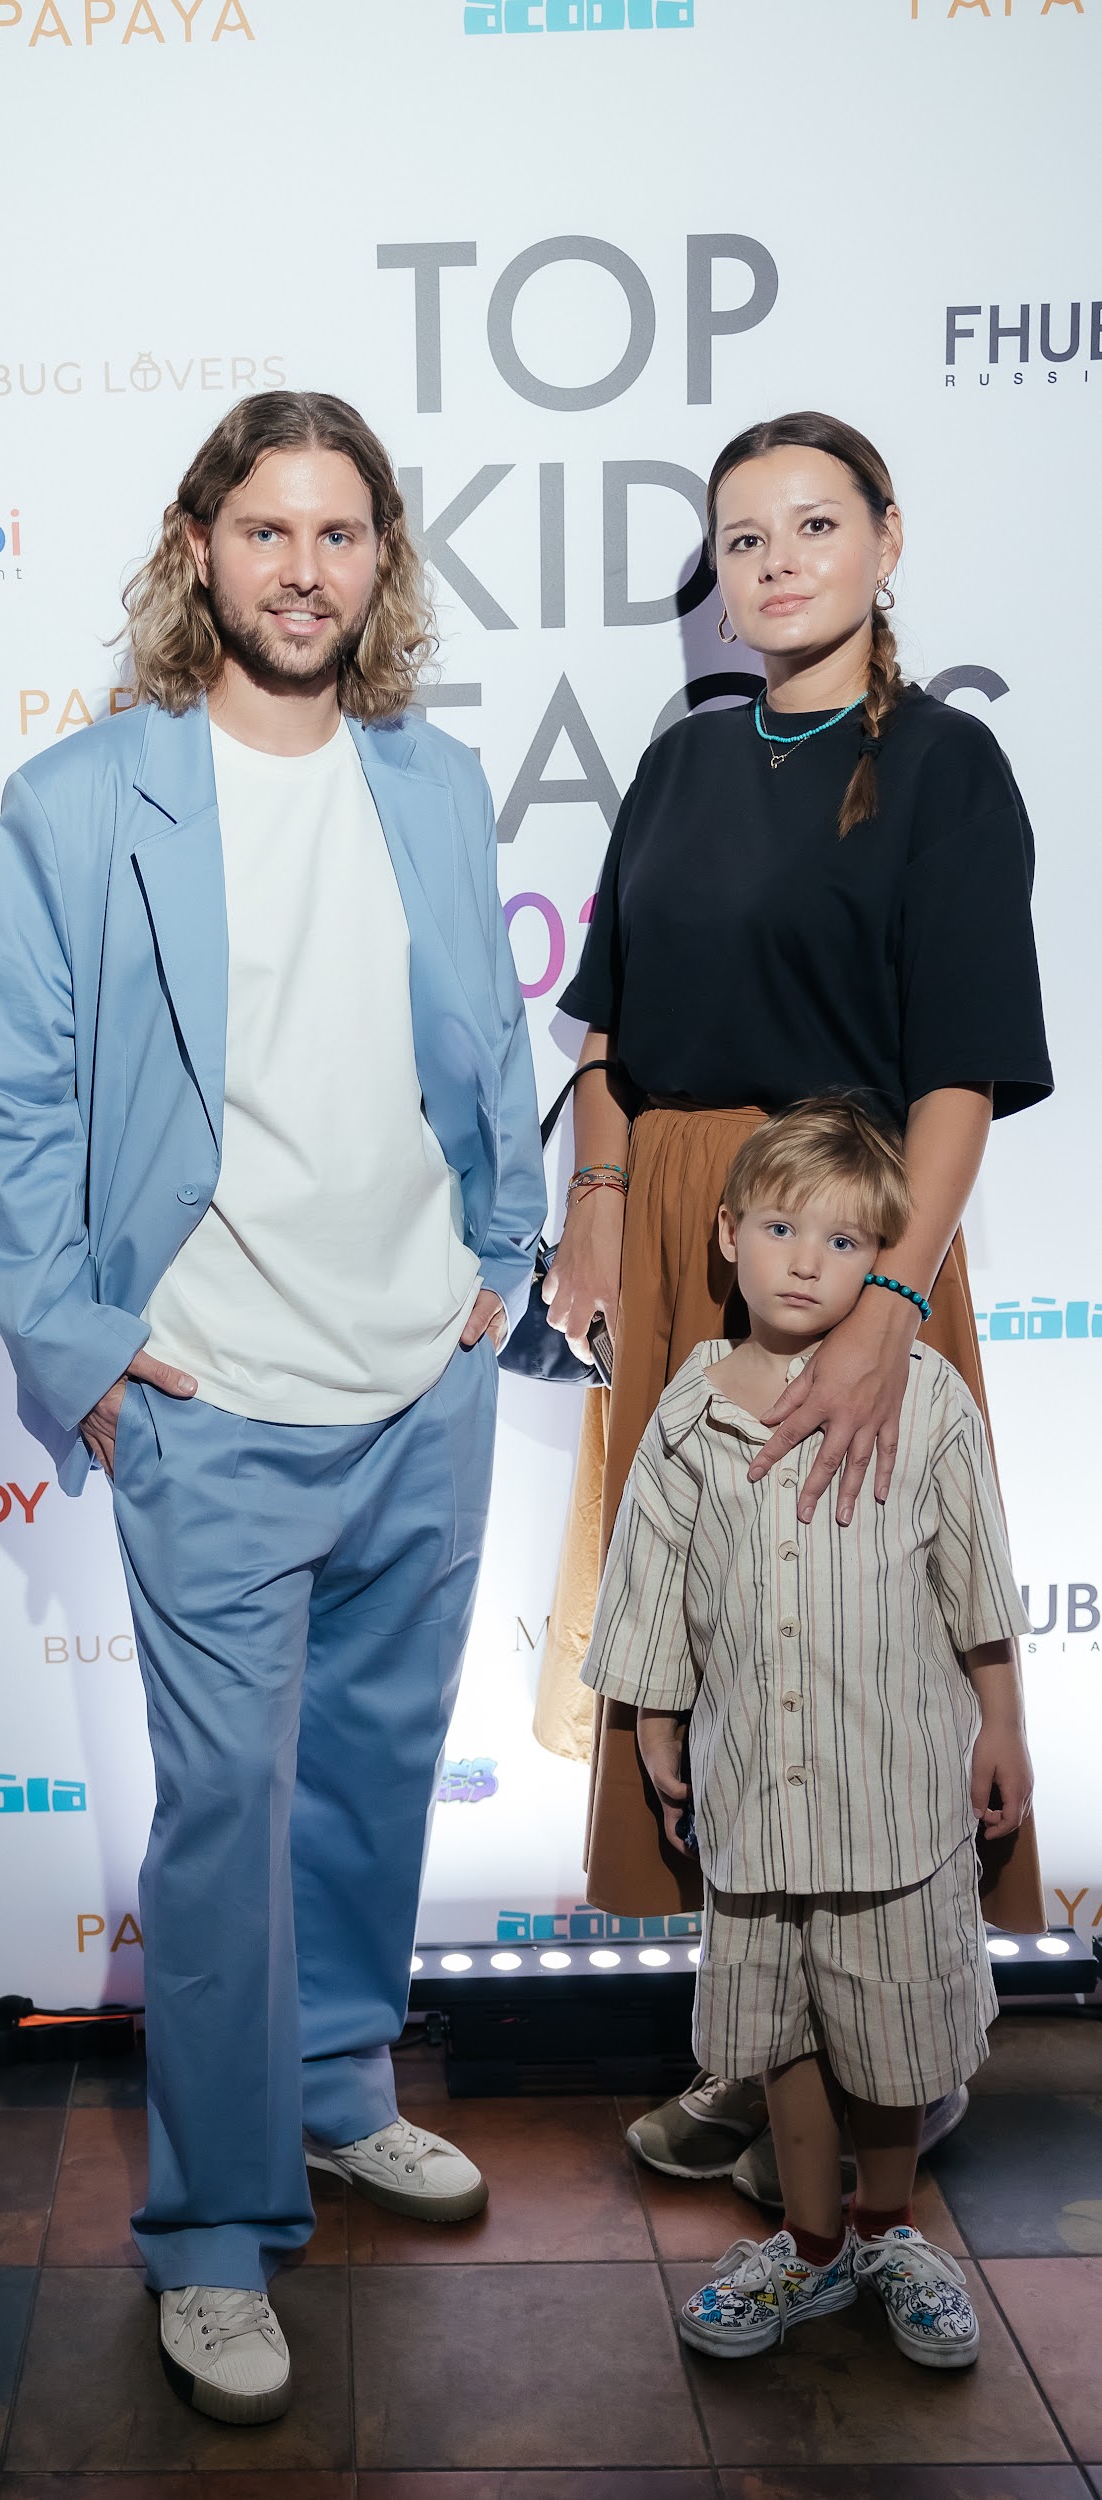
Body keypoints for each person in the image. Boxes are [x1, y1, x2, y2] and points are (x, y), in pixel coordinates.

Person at [0, 391, 544, 2424]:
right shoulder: (81, 798)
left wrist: (501, 1250)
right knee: (218, 1829)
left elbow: (486, 1039)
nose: (304, 567)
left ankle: (335, 2085)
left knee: (371, 1780)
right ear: (197, 544)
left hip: (419, 1383)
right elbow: (9, 1109)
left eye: (340, 531)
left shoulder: (431, 780)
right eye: (267, 528)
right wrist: (80, 1350)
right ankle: (211, 2230)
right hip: (209, 1401)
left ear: (381, 560)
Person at [534, 409, 1051, 2183]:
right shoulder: (680, 761)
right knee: (710, 1640)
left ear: (884, 540)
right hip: (682, 1233)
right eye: (742, 537)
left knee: (866, 1641)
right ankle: (763, 2056)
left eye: (813, 525)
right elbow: (605, 1027)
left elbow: (960, 1071)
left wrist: (894, 1294)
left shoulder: (946, 765)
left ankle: (899, 2064)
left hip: (853, 1240)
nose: (775, 562)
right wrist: (597, 1206)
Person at [581, 1098, 1033, 2367]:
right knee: (777, 2035)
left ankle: (888, 2228)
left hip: (891, 1799)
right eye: (779, 1229)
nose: (802, 1262)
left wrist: (1001, 1721)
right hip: (756, 1803)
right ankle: (810, 2240)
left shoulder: (926, 1397)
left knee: (891, 2039)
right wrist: (654, 1719)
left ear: (882, 1258)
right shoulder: (686, 1409)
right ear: (727, 1234)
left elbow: (976, 1577)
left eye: (841, 1242)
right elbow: (650, 1581)